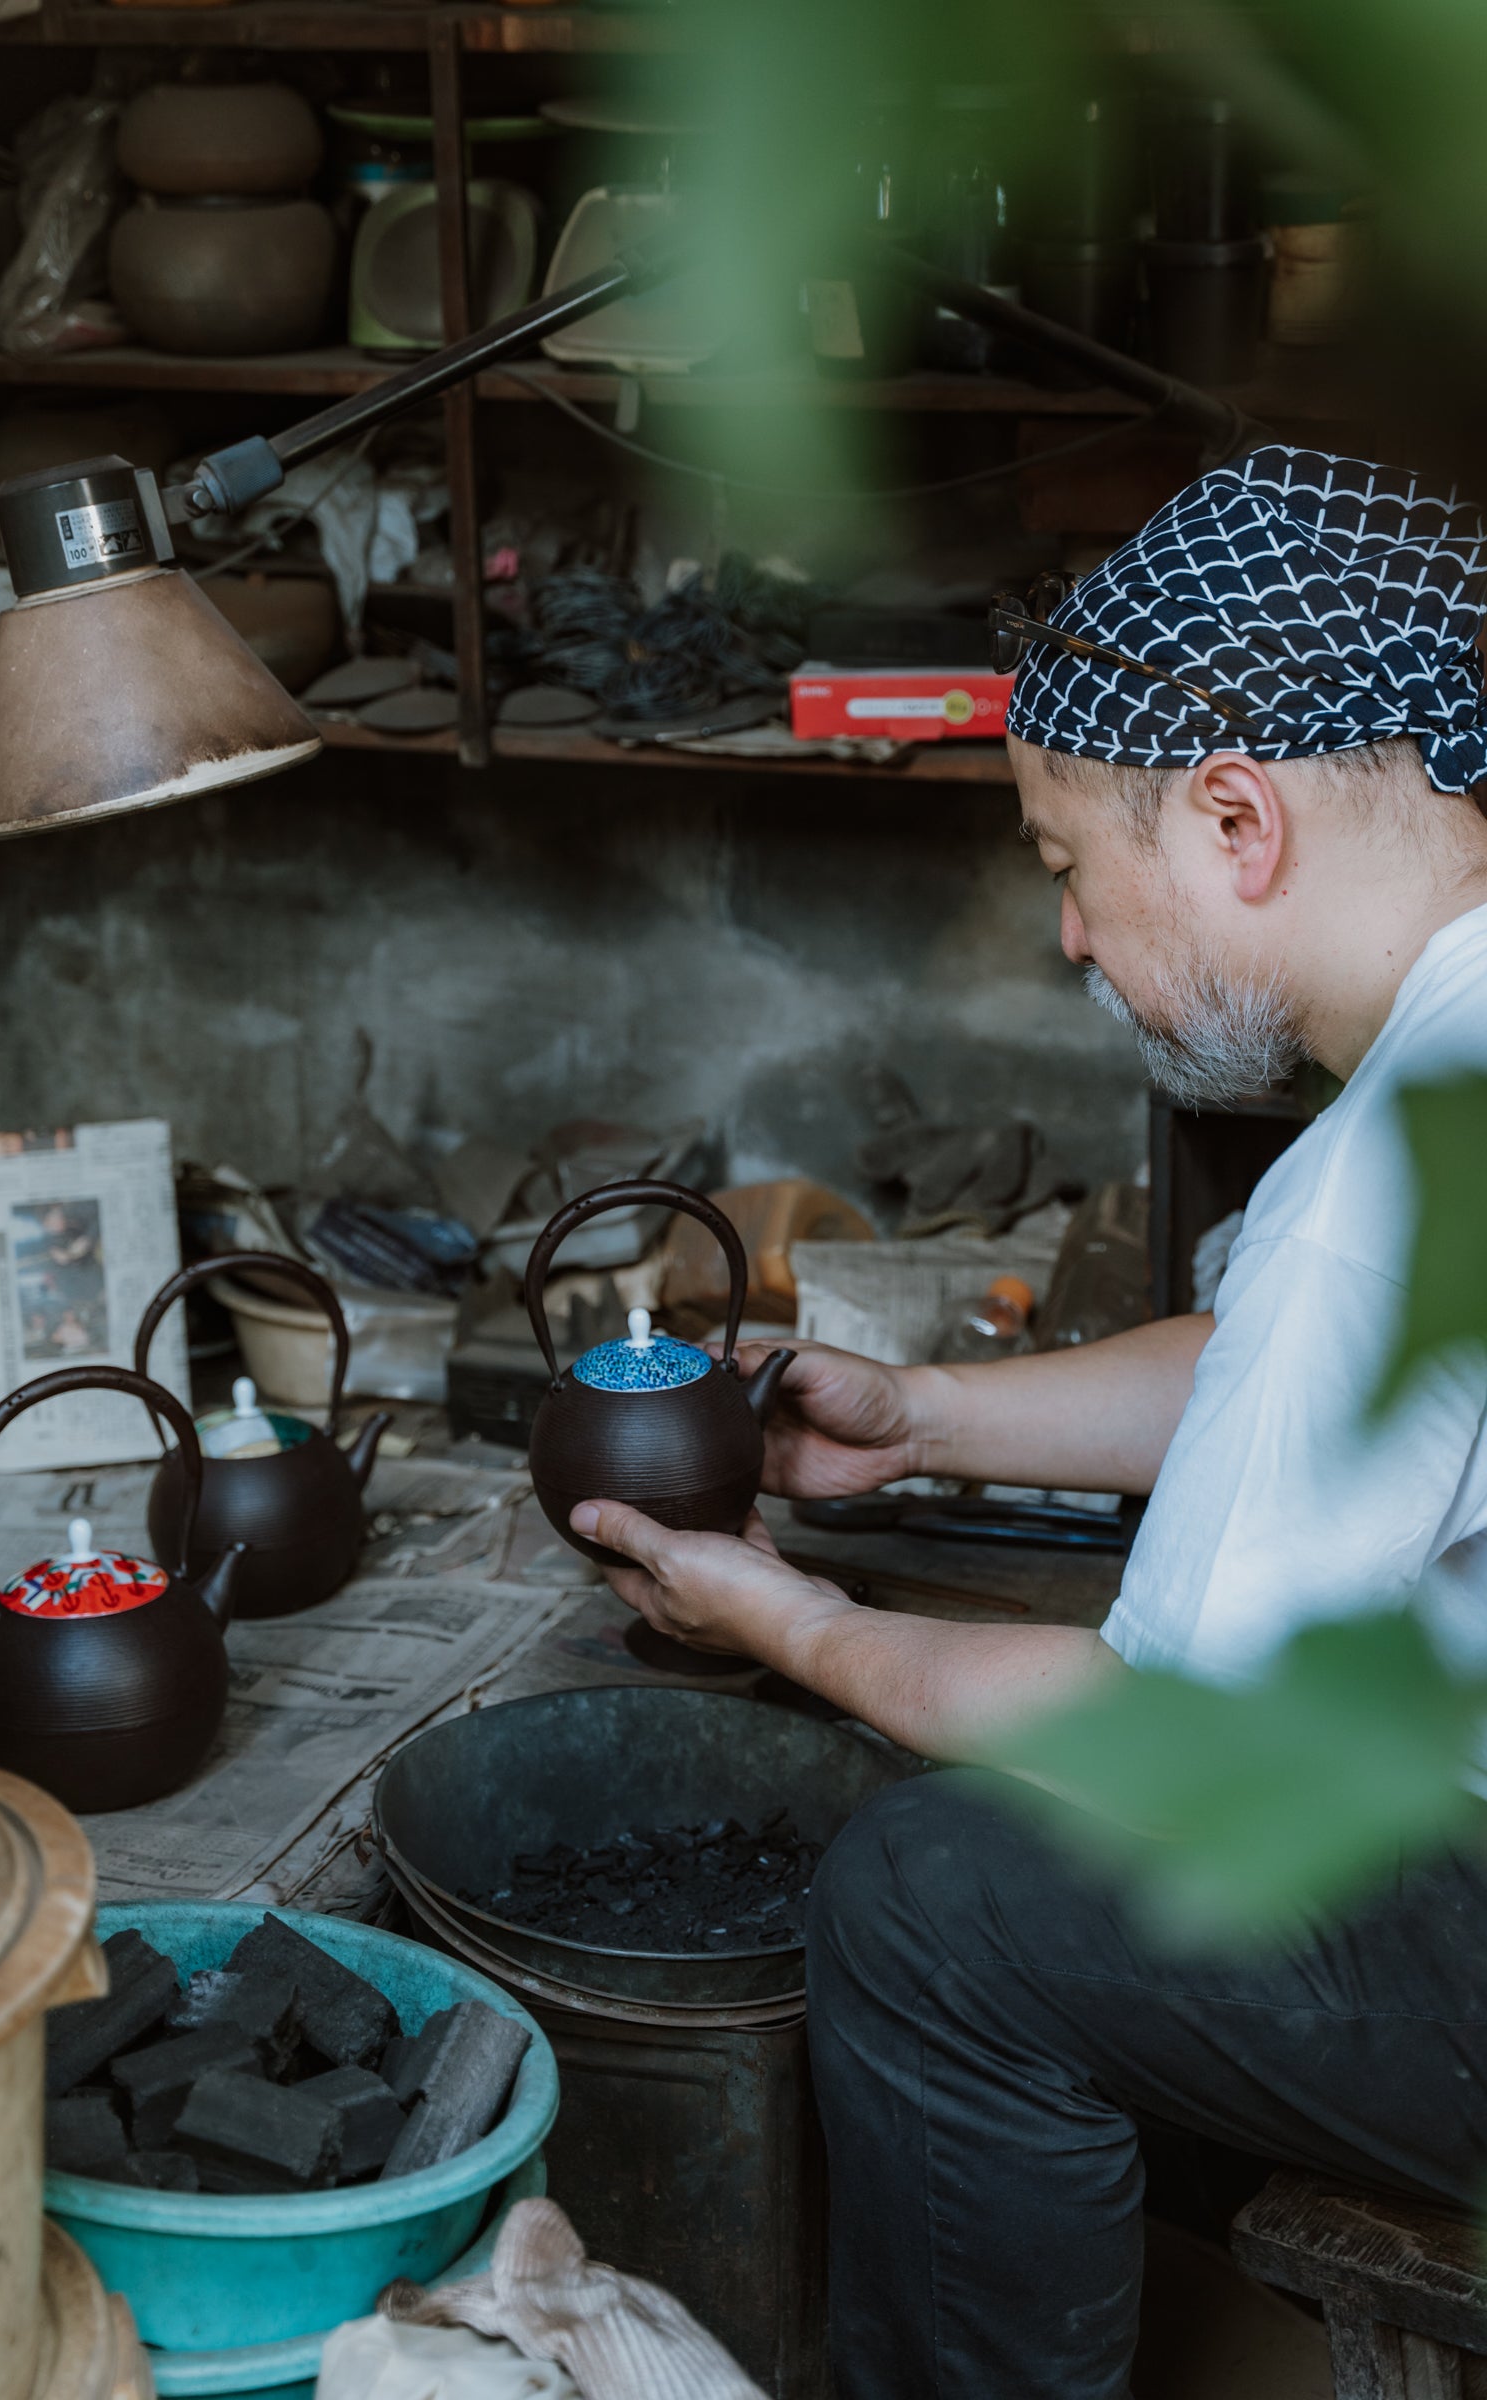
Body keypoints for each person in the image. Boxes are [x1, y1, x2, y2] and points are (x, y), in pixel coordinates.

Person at [567, 448, 1487, 2398]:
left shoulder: (1377, 1187)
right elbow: (1303, 1393)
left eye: (1068, 869)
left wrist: (789, 1624)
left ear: (1232, 822)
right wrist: (919, 1419)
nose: (1070, 942)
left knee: (934, 1905)